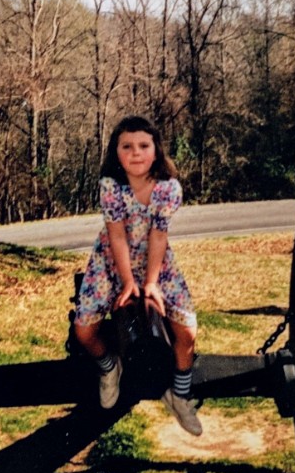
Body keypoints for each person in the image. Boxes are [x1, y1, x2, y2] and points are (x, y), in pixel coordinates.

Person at [72, 114, 202, 436]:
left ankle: (179, 394)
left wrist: (151, 284)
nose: (135, 153)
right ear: (116, 153)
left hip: (155, 261)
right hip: (111, 260)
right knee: (84, 330)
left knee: (187, 331)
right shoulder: (111, 188)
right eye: (127, 146)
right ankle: (109, 367)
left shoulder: (168, 189)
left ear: (156, 151)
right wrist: (129, 283)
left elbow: (158, 236)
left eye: (144, 145)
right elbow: (116, 236)